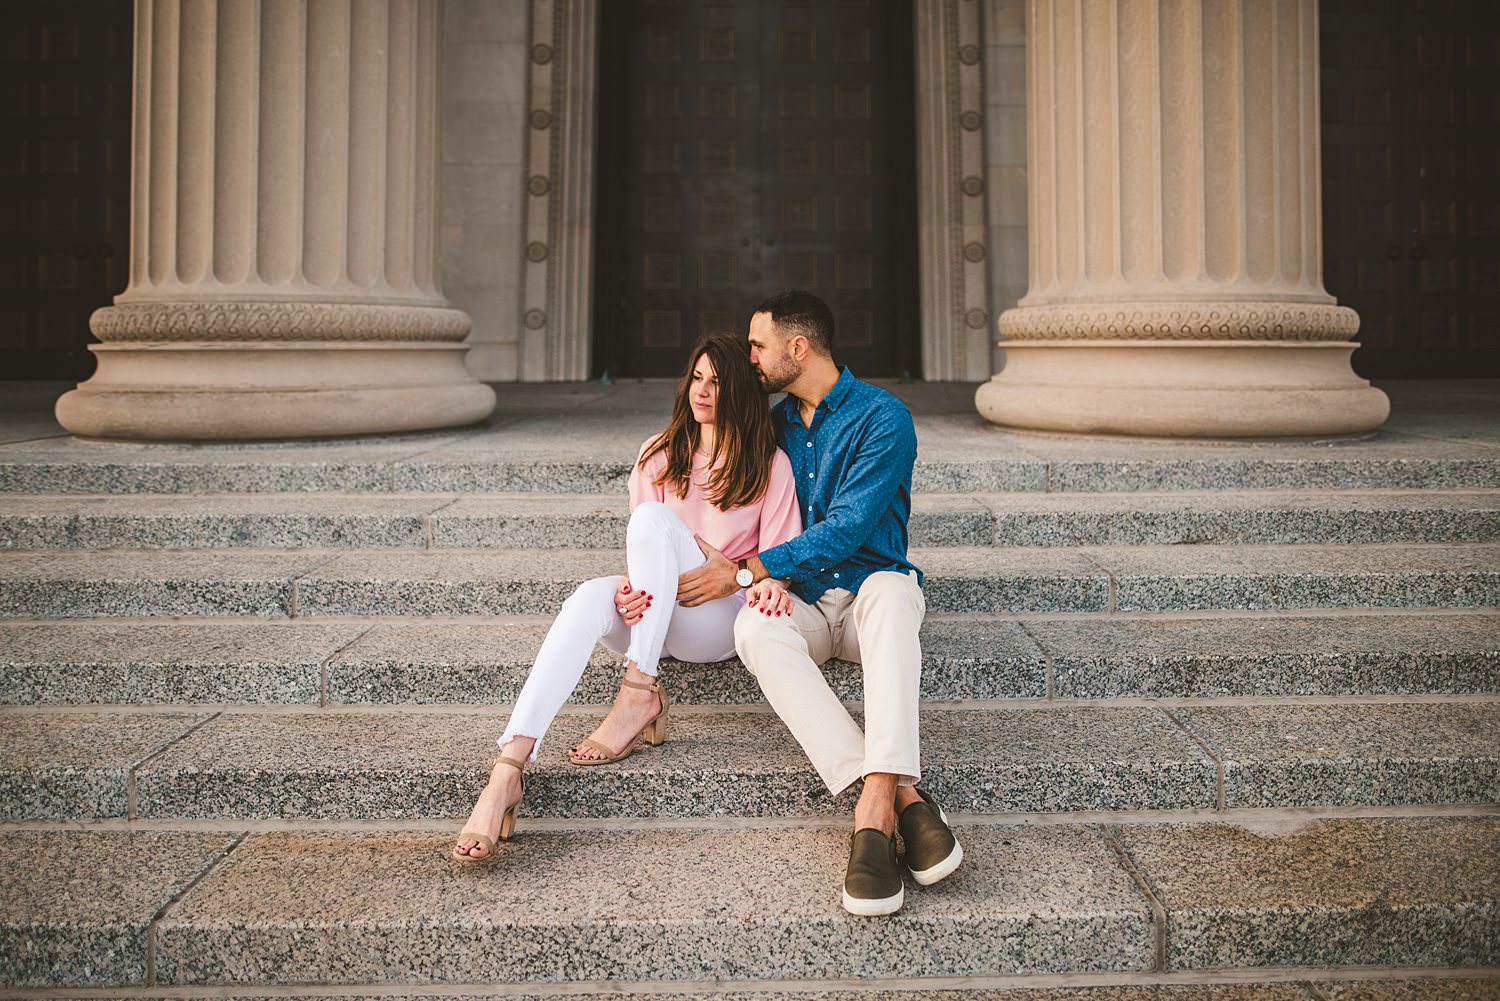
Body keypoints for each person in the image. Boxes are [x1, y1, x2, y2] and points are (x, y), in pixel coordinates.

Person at [453, 332, 802, 862]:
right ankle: (507, 770)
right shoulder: (658, 454)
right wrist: (627, 587)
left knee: (653, 518)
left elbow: (779, 565)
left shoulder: (770, 465)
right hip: (652, 622)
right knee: (588, 599)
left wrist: (757, 582)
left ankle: (640, 690)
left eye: (719, 381)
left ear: (741, 392)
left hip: (714, 622)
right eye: (698, 378)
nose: (703, 392)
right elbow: (647, 548)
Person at [676, 290, 962, 916]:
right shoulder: (771, 423)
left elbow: (850, 524)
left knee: (891, 591)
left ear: (797, 348)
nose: (750, 357)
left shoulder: (882, 417)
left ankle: (871, 809)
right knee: (754, 630)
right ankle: (896, 792)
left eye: (758, 345)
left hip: (866, 597)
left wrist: (747, 570)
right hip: (802, 601)